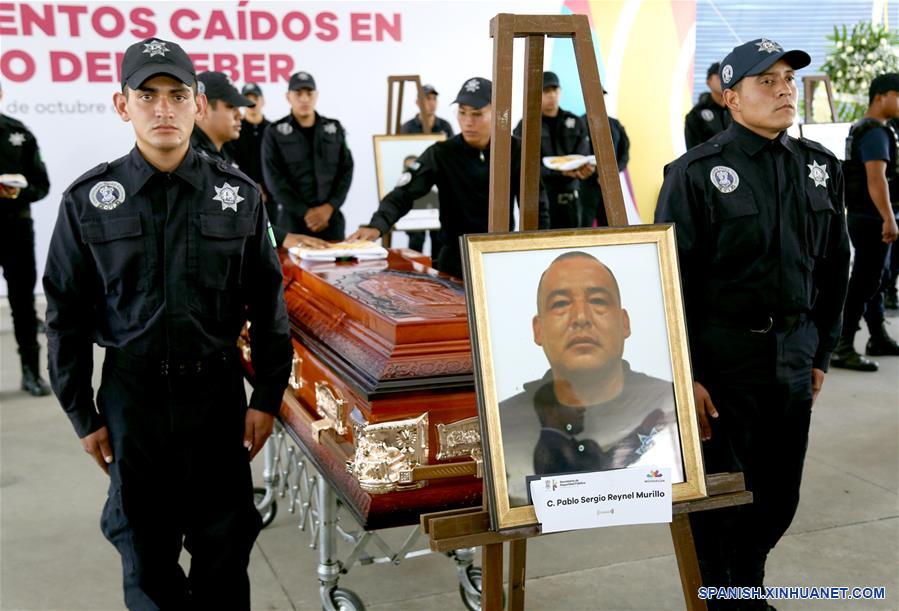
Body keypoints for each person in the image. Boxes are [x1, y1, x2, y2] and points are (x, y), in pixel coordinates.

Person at [42, 38, 292, 610]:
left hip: (216, 397)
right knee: (146, 556)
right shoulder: (89, 201)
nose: (163, 108)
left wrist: (266, 397)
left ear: (197, 105)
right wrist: (82, 413)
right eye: (147, 95)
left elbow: (268, 303)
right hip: (133, 400)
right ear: (122, 105)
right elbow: (65, 315)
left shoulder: (238, 196)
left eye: (177, 95)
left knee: (224, 553)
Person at [655, 39, 849, 604]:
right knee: (722, 496)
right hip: (723, 359)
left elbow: (835, 266)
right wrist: (684, 374)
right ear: (731, 98)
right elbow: (669, 282)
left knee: (779, 494)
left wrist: (821, 353)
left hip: (793, 354)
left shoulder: (819, 167)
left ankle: (744, 585)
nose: (784, 89)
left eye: (788, 78)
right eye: (767, 81)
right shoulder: (695, 173)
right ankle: (728, 596)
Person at [499, 252, 684, 506]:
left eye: (597, 301)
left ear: (625, 323)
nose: (581, 318)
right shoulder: (501, 423)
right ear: (538, 329)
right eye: (561, 304)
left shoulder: (674, 402)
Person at [347, 77, 550, 278]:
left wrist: (538, 255)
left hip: (499, 258)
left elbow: (536, 209)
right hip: (454, 259)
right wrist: (377, 225)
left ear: (497, 114)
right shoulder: (441, 153)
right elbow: (403, 193)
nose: (468, 122)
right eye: (462, 113)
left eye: (477, 114)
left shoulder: (516, 151)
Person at [830, 73, 899, 371]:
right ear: (880, 97)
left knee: (875, 279)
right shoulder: (874, 133)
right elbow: (876, 179)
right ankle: (843, 345)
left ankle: (877, 336)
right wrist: (889, 218)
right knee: (865, 282)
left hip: (865, 215)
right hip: (873, 218)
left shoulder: (864, 127)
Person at [0, 80, 51, 396]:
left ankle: (31, 373)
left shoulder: (18, 133)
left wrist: (16, 192)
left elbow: (42, 185)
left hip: (15, 228)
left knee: (22, 302)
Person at [262, 71, 354, 242]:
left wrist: (329, 207)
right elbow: (274, 179)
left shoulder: (334, 128)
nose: (304, 99)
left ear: (316, 95)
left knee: (338, 260)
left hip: (331, 221)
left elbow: (346, 171)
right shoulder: (274, 133)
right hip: (292, 224)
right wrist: (305, 212)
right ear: (288, 97)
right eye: (298, 93)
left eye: (309, 93)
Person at [513, 71, 593, 229]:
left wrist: (586, 169)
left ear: (560, 91)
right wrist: (560, 173)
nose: (552, 95)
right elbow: (522, 166)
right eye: (546, 91)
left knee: (572, 243)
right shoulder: (526, 126)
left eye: (555, 90)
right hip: (540, 203)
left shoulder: (575, 121)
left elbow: (583, 156)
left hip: (571, 202)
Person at [400, 84, 452, 257]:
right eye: (427, 98)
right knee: (416, 241)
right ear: (417, 102)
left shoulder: (445, 126)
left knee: (439, 241)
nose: (431, 102)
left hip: (439, 192)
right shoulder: (407, 128)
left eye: (434, 98)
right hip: (416, 191)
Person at [578, 90, 630, 227]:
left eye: (601, 97)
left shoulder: (615, 124)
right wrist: (592, 173)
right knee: (583, 227)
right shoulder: (579, 124)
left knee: (611, 227)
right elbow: (574, 154)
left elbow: (625, 153)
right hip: (586, 186)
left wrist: (612, 173)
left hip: (610, 186)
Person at [191, 71, 254, 165]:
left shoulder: (225, 151)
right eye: (231, 107)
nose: (240, 115)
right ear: (202, 109)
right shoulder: (187, 158)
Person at [226, 82, 272, 210]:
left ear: (263, 101)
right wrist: (252, 186)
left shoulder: (272, 131)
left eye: (255, 98)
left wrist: (265, 187)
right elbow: (231, 164)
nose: (252, 103)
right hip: (242, 194)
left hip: (271, 196)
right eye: (247, 99)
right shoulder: (234, 131)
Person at [685, 62, 732, 150]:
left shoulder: (738, 110)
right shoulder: (696, 115)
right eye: (719, 77)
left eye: (727, 77)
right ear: (708, 82)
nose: (724, 81)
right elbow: (692, 151)